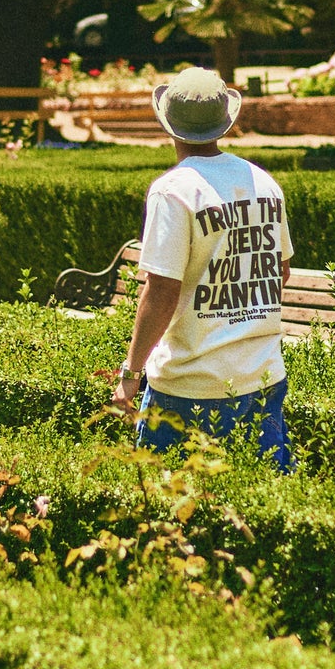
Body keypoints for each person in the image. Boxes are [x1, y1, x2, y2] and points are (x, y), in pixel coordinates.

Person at [110, 67, 295, 471]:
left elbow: (161, 292)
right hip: (263, 376)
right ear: (224, 122)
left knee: (170, 513)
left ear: (169, 126)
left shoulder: (173, 190)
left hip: (190, 384)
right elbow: (279, 271)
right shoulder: (263, 182)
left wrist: (130, 373)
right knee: (264, 509)